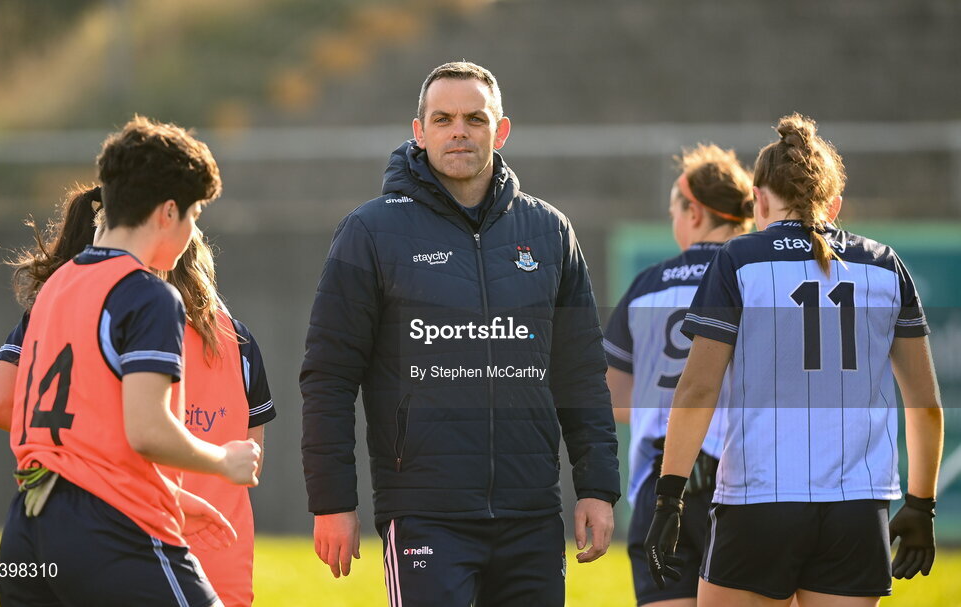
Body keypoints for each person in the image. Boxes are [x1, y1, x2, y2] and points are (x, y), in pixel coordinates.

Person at [301, 61, 621, 607]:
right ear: (419, 130)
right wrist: (332, 501)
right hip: (425, 512)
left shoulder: (549, 232)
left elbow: (581, 374)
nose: (459, 131)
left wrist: (596, 487)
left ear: (501, 131)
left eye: (475, 119)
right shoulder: (371, 231)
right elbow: (329, 376)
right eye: (443, 118)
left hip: (531, 513)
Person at [645, 114, 943, 607]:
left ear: (758, 200)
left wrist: (669, 496)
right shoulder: (885, 265)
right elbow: (925, 404)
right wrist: (922, 505)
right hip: (856, 507)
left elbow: (697, 390)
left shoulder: (739, 259)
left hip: (758, 500)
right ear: (835, 203)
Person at [0, 116, 261, 607]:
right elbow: (147, 431)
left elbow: (84, 440)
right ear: (168, 212)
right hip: (109, 530)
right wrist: (224, 460)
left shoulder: (57, 287)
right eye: (194, 214)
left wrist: (179, 498)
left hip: (26, 529)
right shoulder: (148, 295)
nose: (193, 229)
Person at [604, 143, 752, 607]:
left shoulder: (647, 284)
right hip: (742, 480)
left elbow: (615, 397)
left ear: (693, 212)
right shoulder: (757, 278)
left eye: (674, 210)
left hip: (659, 477)